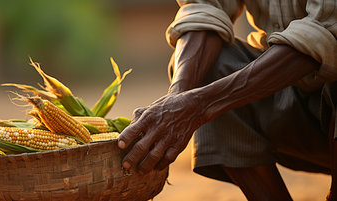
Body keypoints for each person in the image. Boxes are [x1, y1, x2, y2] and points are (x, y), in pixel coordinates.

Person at [118, 1, 337, 200]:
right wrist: (178, 97)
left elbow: (327, 28)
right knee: (208, 69)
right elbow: (204, 6)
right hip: (294, 104)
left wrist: (200, 105)